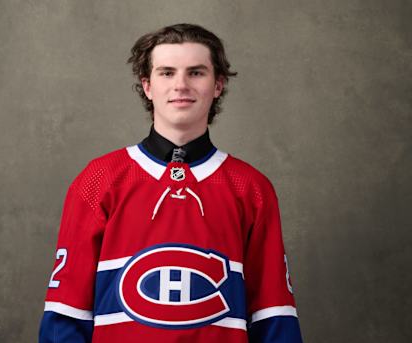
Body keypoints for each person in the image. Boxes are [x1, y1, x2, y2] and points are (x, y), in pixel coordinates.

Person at [39, 23, 303, 343]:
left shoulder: (250, 187)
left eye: (196, 72)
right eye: (166, 73)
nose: (181, 85)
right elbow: (66, 314)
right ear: (147, 85)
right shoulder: (99, 180)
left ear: (218, 84)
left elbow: (273, 315)